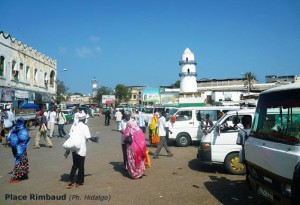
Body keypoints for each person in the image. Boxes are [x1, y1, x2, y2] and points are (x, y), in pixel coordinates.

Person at [67, 113, 92, 189]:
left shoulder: (74, 126)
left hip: (74, 148)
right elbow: (88, 137)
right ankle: (79, 182)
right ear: (84, 119)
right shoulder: (85, 127)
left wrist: (68, 150)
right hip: (81, 148)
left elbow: (69, 136)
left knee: (75, 164)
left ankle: (70, 180)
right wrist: (94, 139)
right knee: (81, 166)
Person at [7, 117, 30, 183]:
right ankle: (17, 177)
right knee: (21, 162)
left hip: (15, 148)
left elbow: (8, 138)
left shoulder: (14, 129)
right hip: (21, 149)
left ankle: (22, 176)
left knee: (20, 161)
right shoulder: (23, 129)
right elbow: (25, 139)